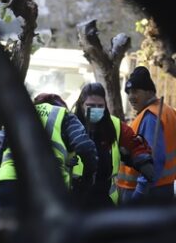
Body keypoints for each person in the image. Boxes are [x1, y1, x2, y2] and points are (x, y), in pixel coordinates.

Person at [0, 93, 98, 210]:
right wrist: (87, 179)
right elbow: (85, 147)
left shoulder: (19, 115)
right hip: (47, 185)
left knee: (15, 227)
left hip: (9, 180)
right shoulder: (63, 115)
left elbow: (0, 155)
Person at [72, 82, 154, 207]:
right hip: (74, 198)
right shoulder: (70, 125)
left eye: (100, 106)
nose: (95, 109)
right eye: (90, 105)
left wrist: (144, 162)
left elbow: (135, 144)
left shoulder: (115, 126)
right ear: (81, 104)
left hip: (104, 199)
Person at [118, 66, 176, 204]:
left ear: (150, 92)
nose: (131, 97)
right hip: (163, 188)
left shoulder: (151, 117)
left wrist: (139, 193)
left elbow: (154, 159)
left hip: (146, 193)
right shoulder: (168, 112)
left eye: (136, 91)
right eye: (129, 92)